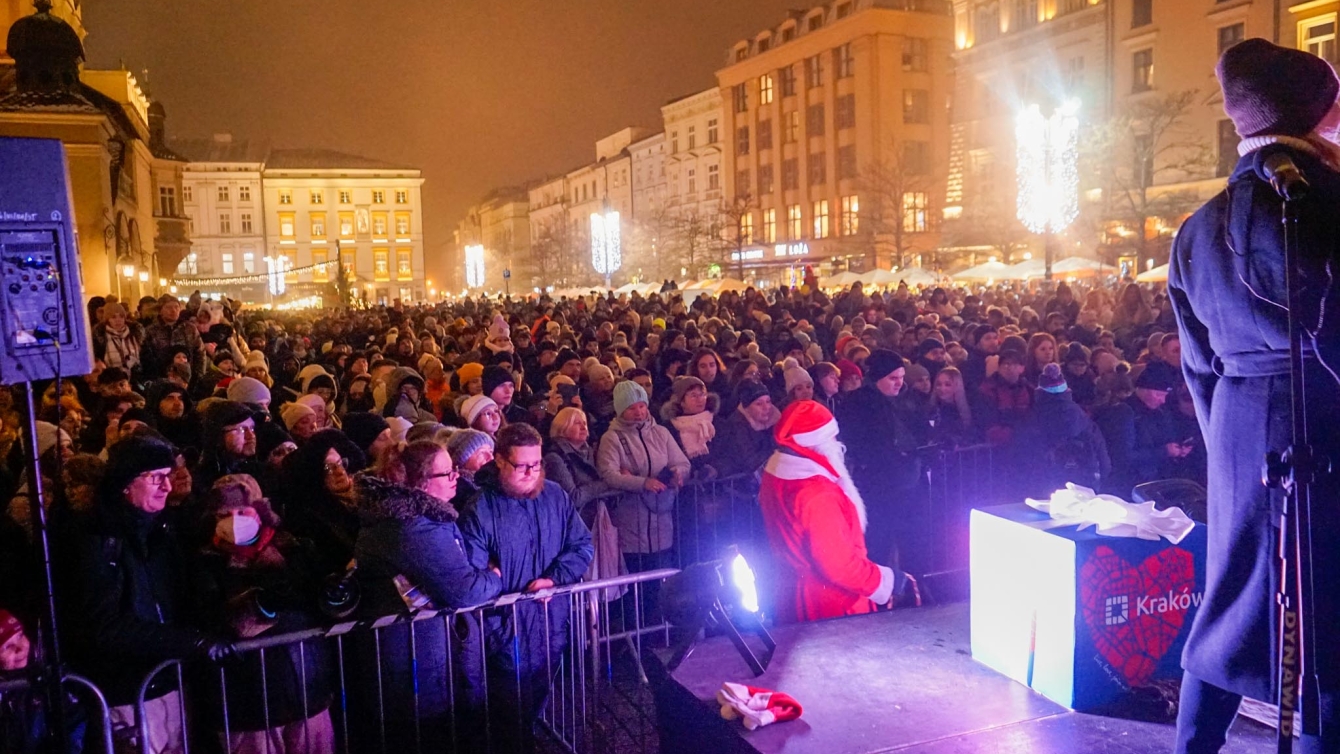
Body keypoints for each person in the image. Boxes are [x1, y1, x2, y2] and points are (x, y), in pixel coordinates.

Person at [1168, 39, 1340, 753]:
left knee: (1233, 598)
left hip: (1240, 427)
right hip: (1327, 414)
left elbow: (1196, 365)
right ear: (1321, 113)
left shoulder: (1195, 229)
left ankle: (1192, 745)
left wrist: (1230, 450)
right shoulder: (1328, 202)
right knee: (1328, 609)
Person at [63, 436, 232, 754]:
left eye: (169, 475)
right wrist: (191, 642)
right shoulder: (98, 541)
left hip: (169, 682)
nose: (167, 486)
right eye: (156, 477)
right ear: (125, 484)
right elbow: (105, 626)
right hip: (127, 692)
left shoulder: (161, 532)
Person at [353, 440, 503, 750]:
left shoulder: (412, 517)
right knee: (427, 737)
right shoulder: (415, 527)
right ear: (421, 482)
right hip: (414, 654)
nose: (456, 478)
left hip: (417, 649)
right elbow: (464, 590)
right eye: (447, 473)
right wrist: (494, 578)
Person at [459, 424, 593, 753]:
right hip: (505, 629)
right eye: (521, 466)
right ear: (501, 462)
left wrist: (556, 577)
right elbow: (472, 575)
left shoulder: (555, 496)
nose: (531, 473)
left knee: (534, 703)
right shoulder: (480, 509)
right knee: (508, 718)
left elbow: (581, 545)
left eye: (536, 465)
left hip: (550, 624)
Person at [191, 475, 336, 754]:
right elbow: (212, 617)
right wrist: (258, 602)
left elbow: (316, 601)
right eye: (225, 514)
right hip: (247, 700)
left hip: (305, 688)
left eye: (242, 512)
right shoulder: (205, 561)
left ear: (259, 512)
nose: (234, 520)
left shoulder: (294, 548)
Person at [759, 401, 902, 622]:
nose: (837, 443)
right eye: (832, 437)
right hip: (831, 604)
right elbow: (838, 565)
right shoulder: (817, 494)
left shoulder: (776, 475)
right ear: (819, 442)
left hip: (791, 594)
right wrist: (886, 581)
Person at [836, 349, 925, 575]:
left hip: (908, 484)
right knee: (879, 544)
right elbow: (857, 442)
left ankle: (911, 586)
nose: (899, 383)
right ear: (877, 378)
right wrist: (891, 456)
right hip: (878, 488)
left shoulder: (905, 400)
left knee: (911, 542)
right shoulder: (859, 403)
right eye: (892, 378)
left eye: (901, 377)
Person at [597, 380, 690, 574]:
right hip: (631, 525)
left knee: (662, 577)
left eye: (642, 406)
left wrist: (677, 474)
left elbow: (682, 463)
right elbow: (608, 474)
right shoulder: (612, 438)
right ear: (620, 410)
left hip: (662, 524)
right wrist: (642, 483)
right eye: (632, 408)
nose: (639, 412)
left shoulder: (661, 433)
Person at [1016, 364, 1110, 497]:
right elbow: (1102, 454)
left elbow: (1025, 455)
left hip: (1046, 487)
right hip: (1084, 485)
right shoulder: (1082, 417)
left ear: (1040, 392)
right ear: (1066, 391)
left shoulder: (1033, 418)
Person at [709, 380, 779, 478]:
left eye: (768, 401)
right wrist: (775, 450)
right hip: (741, 484)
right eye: (759, 404)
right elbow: (750, 462)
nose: (766, 407)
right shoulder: (736, 426)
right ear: (747, 408)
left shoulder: (776, 421)